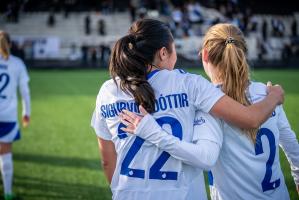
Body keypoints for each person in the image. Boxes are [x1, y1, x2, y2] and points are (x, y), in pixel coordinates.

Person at [91, 19, 283, 200]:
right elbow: (251, 119)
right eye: (174, 49)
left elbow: (108, 161)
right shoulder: (189, 84)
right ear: (163, 53)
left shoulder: (107, 91)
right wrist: (274, 96)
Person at [0, 31, 31, 200]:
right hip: (8, 116)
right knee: (5, 153)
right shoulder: (17, 63)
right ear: (10, 44)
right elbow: (25, 92)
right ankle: (8, 193)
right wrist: (26, 113)